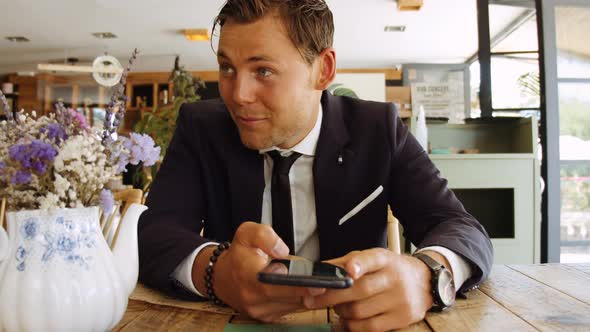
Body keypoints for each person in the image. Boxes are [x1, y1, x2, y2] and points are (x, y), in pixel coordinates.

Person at [138, 0, 493, 330]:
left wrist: (427, 277)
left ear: (322, 71)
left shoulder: (377, 129)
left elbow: (461, 227)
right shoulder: (202, 128)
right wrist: (214, 271)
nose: (238, 94)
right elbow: (153, 232)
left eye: (263, 70)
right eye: (227, 68)